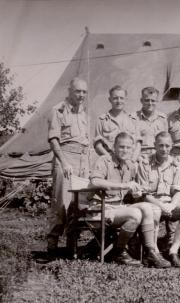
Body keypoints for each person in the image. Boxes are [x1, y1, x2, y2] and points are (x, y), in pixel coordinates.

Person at [90, 132, 170, 268]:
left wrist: (136, 192)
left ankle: (151, 251)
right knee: (135, 214)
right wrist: (124, 185)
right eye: (121, 147)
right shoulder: (105, 160)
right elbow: (95, 182)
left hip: (119, 207)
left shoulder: (130, 165)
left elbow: (129, 194)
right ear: (114, 147)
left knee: (147, 207)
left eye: (128, 148)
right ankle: (119, 251)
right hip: (101, 208)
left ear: (132, 149)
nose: (124, 151)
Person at [136, 131, 180, 268]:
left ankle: (174, 251)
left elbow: (177, 191)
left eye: (167, 146)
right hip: (152, 202)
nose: (164, 149)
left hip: (169, 203)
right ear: (154, 145)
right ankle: (153, 253)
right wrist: (162, 206)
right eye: (160, 145)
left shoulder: (176, 165)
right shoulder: (145, 163)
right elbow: (144, 194)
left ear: (172, 146)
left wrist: (172, 205)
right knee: (153, 211)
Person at [47, 77, 90, 258]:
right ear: (69, 90)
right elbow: (54, 140)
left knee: (79, 204)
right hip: (66, 157)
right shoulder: (58, 110)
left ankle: (72, 245)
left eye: (84, 92)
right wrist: (64, 163)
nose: (81, 95)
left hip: (82, 159)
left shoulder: (85, 113)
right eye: (77, 91)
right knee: (61, 204)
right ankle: (52, 244)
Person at [94, 85, 141, 161]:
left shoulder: (133, 119)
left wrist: (133, 160)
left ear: (125, 100)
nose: (119, 101)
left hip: (129, 160)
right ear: (110, 99)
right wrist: (109, 158)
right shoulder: (102, 120)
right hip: (110, 160)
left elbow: (138, 143)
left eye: (121, 98)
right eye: (115, 98)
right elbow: (97, 144)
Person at [131, 87, 168, 156]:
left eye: (153, 100)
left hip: (158, 155)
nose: (150, 103)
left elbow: (166, 141)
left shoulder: (163, 118)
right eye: (147, 100)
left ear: (157, 101)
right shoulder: (133, 118)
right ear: (141, 101)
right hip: (140, 155)